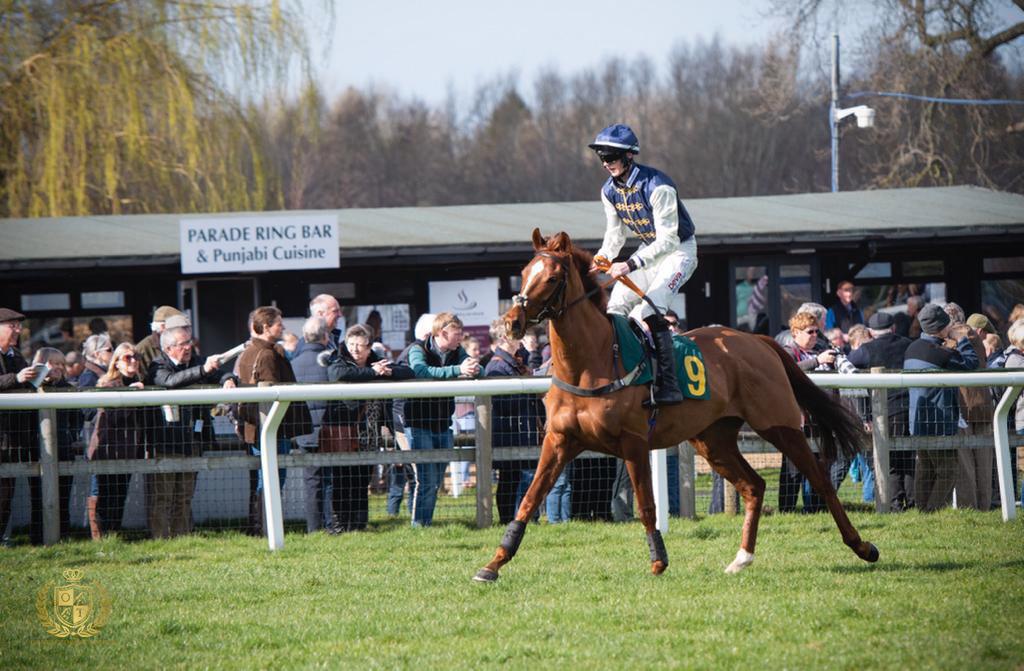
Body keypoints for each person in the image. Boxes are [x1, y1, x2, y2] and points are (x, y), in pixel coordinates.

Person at [587, 123, 697, 406]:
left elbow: (669, 241)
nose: (606, 163)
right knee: (615, 308)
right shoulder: (608, 190)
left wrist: (630, 264)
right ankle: (623, 377)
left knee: (648, 310)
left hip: (678, 251)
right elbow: (615, 234)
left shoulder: (658, 186)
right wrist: (601, 258)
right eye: (603, 158)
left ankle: (668, 385)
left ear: (629, 155)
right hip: (649, 251)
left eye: (611, 157)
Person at [147, 315, 237, 538]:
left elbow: (220, 372)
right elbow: (170, 382)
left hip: (192, 441)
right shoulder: (157, 365)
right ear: (168, 348)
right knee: (163, 497)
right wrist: (204, 371)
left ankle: (182, 538)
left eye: (189, 342)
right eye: (182, 344)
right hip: (165, 443)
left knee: (185, 496)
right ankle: (160, 539)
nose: (188, 348)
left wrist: (227, 378)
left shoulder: (197, 361)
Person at [322, 324, 413, 532]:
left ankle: (359, 524)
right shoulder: (339, 359)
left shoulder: (377, 360)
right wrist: (371, 372)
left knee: (362, 479)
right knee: (342, 480)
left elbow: (406, 371)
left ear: (369, 346)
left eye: (360, 346)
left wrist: (386, 371)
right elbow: (337, 374)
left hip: (369, 433)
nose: (354, 349)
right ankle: (339, 525)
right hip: (343, 432)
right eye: (351, 344)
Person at [236, 306, 310, 536]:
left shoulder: (253, 351)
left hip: (262, 428)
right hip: (271, 428)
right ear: (266, 327)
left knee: (266, 479)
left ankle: (263, 527)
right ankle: (266, 528)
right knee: (271, 480)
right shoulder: (267, 355)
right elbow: (272, 397)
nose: (283, 327)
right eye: (279, 323)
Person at [405, 312, 481, 527]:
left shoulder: (457, 351)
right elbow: (420, 371)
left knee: (436, 479)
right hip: (418, 424)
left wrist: (474, 368)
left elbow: (478, 368)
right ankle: (420, 525)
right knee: (426, 480)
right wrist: (458, 370)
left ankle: (424, 523)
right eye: (457, 334)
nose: (461, 338)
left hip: (442, 423)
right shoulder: (417, 349)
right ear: (442, 332)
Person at [904, 304, 979, 512]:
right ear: (942, 327)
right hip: (939, 422)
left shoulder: (912, 347)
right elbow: (971, 364)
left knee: (925, 468)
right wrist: (962, 339)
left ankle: (922, 511)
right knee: (948, 469)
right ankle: (933, 511)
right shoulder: (940, 353)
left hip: (917, 421)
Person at [847, 311, 915, 510]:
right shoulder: (907, 344)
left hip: (885, 411)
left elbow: (849, 362)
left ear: (869, 331)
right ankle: (912, 501)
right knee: (909, 457)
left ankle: (894, 504)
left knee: (889, 458)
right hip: (909, 408)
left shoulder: (866, 350)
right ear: (893, 328)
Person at [483, 319, 545, 524]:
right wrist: (528, 392)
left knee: (514, 479)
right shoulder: (496, 367)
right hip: (511, 433)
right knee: (512, 480)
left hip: (520, 432)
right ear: (503, 338)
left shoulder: (515, 362)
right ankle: (513, 519)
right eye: (515, 336)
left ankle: (519, 518)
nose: (520, 340)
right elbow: (502, 403)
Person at [778, 311, 838, 513]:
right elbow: (788, 371)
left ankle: (816, 508)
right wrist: (817, 361)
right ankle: (787, 510)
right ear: (795, 333)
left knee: (819, 465)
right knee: (793, 468)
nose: (814, 335)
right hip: (796, 419)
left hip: (818, 419)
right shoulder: (787, 351)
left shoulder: (821, 349)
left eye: (816, 331)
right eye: (809, 331)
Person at [88, 343, 146, 539]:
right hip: (107, 450)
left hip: (129, 450)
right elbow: (112, 417)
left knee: (120, 494)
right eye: (127, 357)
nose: (133, 360)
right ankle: (100, 539)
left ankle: (114, 535)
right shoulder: (108, 383)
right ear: (117, 363)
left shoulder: (140, 382)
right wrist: (131, 395)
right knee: (106, 495)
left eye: (136, 357)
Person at [0, 308, 41, 545]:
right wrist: (16, 378)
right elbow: (13, 381)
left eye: (18, 326)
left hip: (14, 437)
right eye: (12, 326)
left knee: (7, 492)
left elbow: (24, 384)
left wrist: (39, 379)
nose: (18, 330)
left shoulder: (16, 356)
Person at [387, 313, 435, 517]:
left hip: (409, 420)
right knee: (415, 474)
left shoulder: (418, 352)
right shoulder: (412, 354)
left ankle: (411, 516)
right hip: (405, 421)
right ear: (428, 334)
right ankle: (413, 519)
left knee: (415, 473)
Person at [32, 348, 81, 539]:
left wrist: (72, 436)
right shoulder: (31, 388)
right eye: (53, 363)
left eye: (61, 363)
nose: (59, 368)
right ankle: (37, 538)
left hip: (63, 449)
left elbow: (76, 417)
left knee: (63, 498)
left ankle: (64, 536)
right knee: (38, 498)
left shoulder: (68, 388)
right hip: (37, 449)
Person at [290, 316, 332, 533]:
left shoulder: (292, 365)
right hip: (329, 430)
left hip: (305, 431)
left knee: (312, 481)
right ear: (325, 336)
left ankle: (313, 528)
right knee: (331, 480)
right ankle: (332, 524)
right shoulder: (331, 363)